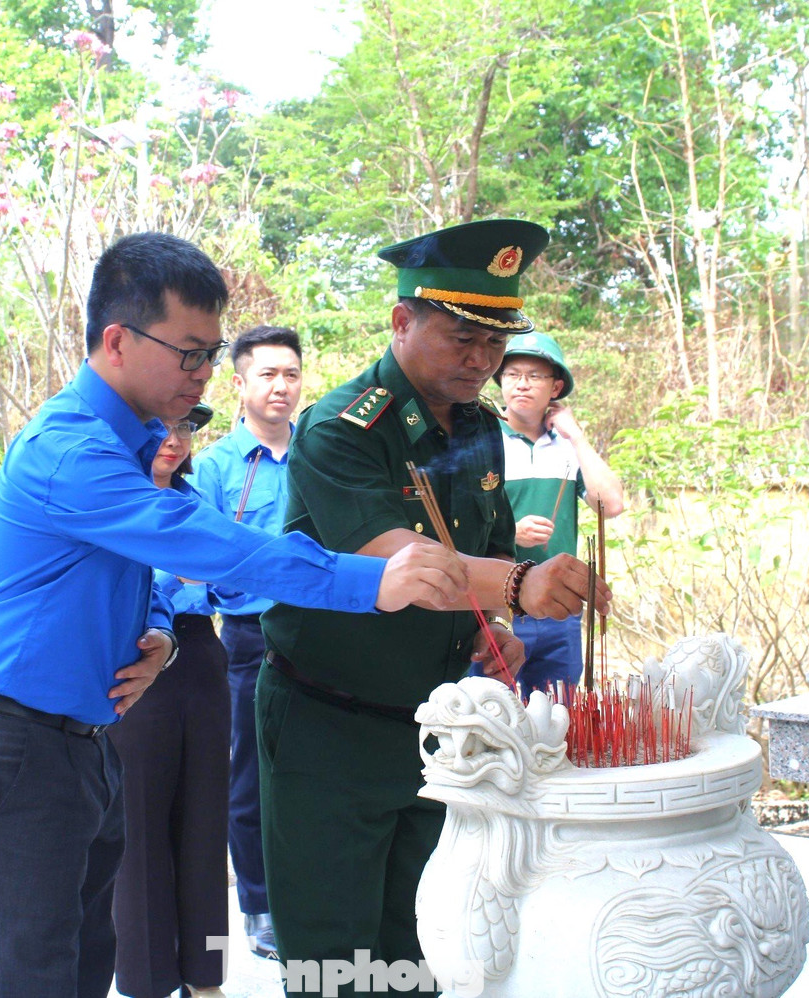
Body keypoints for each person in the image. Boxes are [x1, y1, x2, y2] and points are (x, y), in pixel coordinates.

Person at [0, 231, 469, 998]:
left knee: (83, 961)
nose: (203, 374)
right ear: (117, 340)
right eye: (188, 353)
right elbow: (208, 544)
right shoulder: (70, 450)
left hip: (85, 738)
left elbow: (142, 561)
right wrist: (367, 581)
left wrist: (152, 634)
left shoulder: (136, 444)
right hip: (14, 740)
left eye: (211, 353)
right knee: (31, 972)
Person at [256, 218, 614, 996]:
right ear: (401, 321)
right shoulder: (341, 429)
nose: (480, 361)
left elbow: (479, 547)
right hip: (330, 729)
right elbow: (403, 559)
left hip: (437, 733)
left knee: (424, 952)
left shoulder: (479, 429)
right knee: (334, 963)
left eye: (494, 344)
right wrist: (519, 585)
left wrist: (501, 634)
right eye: (460, 338)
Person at [108, 402, 234, 998]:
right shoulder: (113, 499)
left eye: (184, 427)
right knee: (140, 826)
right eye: (162, 427)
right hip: (138, 662)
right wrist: (174, 577)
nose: (175, 439)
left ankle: (205, 975)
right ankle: (147, 979)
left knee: (207, 823)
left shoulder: (194, 504)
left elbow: (226, 582)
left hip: (202, 657)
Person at [187, 324, 303, 960]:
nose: (281, 386)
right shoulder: (215, 468)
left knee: (314, 770)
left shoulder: (318, 454)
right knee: (250, 775)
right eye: (268, 374)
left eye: (290, 373)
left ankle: (308, 897)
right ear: (240, 384)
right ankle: (259, 906)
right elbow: (192, 560)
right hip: (249, 639)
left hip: (319, 633)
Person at [483, 332, 625, 696]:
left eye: (535, 375)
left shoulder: (566, 447)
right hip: (495, 603)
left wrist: (576, 436)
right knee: (491, 712)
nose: (522, 384)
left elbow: (611, 504)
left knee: (558, 714)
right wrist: (510, 532)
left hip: (559, 606)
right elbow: (456, 523)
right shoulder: (482, 439)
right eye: (513, 374)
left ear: (556, 386)